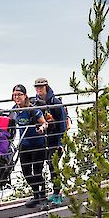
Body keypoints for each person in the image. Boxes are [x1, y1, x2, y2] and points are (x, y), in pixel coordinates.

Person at [8, 83, 51, 208]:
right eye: (15, 95)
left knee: (37, 171)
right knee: (26, 173)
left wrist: (42, 128)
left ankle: (42, 197)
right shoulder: (14, 110)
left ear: (25, 96)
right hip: (24, 145)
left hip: (38, 144)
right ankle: (36, 194)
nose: (17, 97)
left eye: (19, 95)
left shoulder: (33, 110)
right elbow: (10, 125)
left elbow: (45, 123)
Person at [34, 76, 68, 205]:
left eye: (41, 87)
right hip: (43, 140)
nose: (38, 89)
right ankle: (48, 193)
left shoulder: (56, 102)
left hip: (55, 139)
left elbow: (63, 123)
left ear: (46, 87)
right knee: (45, 165)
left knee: (52, 165)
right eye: (37, 87)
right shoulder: (35, 103)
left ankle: (57, 193)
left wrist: (61, 143)